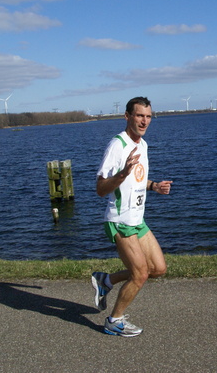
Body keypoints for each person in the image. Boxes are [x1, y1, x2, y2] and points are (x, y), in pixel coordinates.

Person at [91, 96, 172, 337]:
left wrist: (154, 185)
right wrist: (122, 173)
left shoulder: (143, 145)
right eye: (139, 115)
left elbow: (136, 180)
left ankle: (106, 280)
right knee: (140, 274)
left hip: (138, 220)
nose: (144, 121)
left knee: (158, 268)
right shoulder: (118, 145)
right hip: (120, 220)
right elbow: (100, 188)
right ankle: (114, 321)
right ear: (127, 116)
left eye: (148, 116)